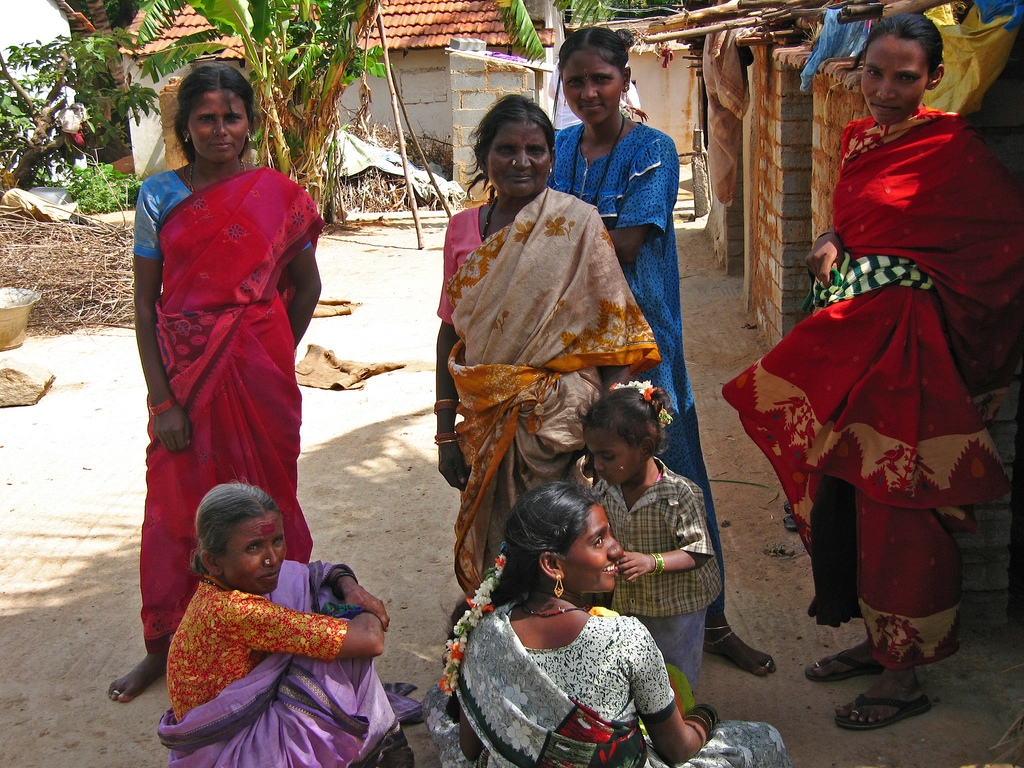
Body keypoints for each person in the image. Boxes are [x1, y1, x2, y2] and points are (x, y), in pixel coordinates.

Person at [722, 14, 1024, 730]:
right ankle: (876, 642)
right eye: (874, 73)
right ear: (855, 70)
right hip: (851, 351)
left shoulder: (954, 152)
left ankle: (906, 676)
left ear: (934, 79)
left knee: (901, 508)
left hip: (911, 362)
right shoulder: (860, 140)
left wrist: (911, 280)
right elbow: (853, 225)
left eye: (904, 77)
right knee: (848, 503)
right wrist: (830, 240)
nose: (885, 91)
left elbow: (1004, 247)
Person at [550, 26, 775, 676]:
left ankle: (717, 620)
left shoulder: (653, 148)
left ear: (625, 80)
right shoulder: (560, 147)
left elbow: (626, 243)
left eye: (602, 79)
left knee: (679, 484)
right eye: (577, 82)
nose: (590, 93)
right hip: (573, 353)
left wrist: (556, 230)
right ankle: (614, 631)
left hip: (647, 353)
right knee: (587, 491)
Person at [110, 64, 325, 702]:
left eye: (232, 117)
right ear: (186, 127)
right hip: (184, 380)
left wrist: (267, 351)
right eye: (206, 118)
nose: (220, 129)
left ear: (249, 123)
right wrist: (162, 400)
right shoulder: (159, 196)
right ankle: (168, 644)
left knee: (266, 504)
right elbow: (146, 308)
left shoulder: (278, 193)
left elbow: (307, 285)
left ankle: (278, 632)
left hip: (258, 376)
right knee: (176, 512)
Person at [434, 94, 661, 594]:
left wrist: (601, 421)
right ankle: (502, 636)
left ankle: (567, 637)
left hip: (561, 421)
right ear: (484, 155)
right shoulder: (461, 229)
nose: (521, 162)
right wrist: (445, 432)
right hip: (486, 413)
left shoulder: (577, 223)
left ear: (551, 158)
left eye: (535, 150)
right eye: (506, 149)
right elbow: (451, 329)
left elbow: (617, 336)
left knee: (562, 540)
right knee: (501, 542)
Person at [423, 482, 793, 768]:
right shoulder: (624, 638)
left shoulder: (482, 631)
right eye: (599, 540)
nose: (616, 549)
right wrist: (704, 716)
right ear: (552, 565)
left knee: (437, 701)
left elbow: (471, 750)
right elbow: (678, 749)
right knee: (764, 738)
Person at [157, 483, 412, 767]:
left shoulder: (221, 587)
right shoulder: (236, 610)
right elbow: (370, 640)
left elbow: (313, 574)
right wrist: (357, 610)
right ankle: (385, 746)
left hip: (234, 726)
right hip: (235, 749)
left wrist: (349, 587)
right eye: (253, 547)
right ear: (212, 562)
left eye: (277, 540)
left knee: (316, 594)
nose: (272, 558)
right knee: (338, 653)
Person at [582, 381, 721, 689]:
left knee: (674, 676)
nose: (596, 465)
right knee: (634, 669)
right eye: (592, 455)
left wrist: (651, 562)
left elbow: (698, 551)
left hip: (676, 609)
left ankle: (677, 726)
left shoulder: (679, 494)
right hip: (630, 602)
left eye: (606, 455)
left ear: (644, 448)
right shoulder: (605, 489)